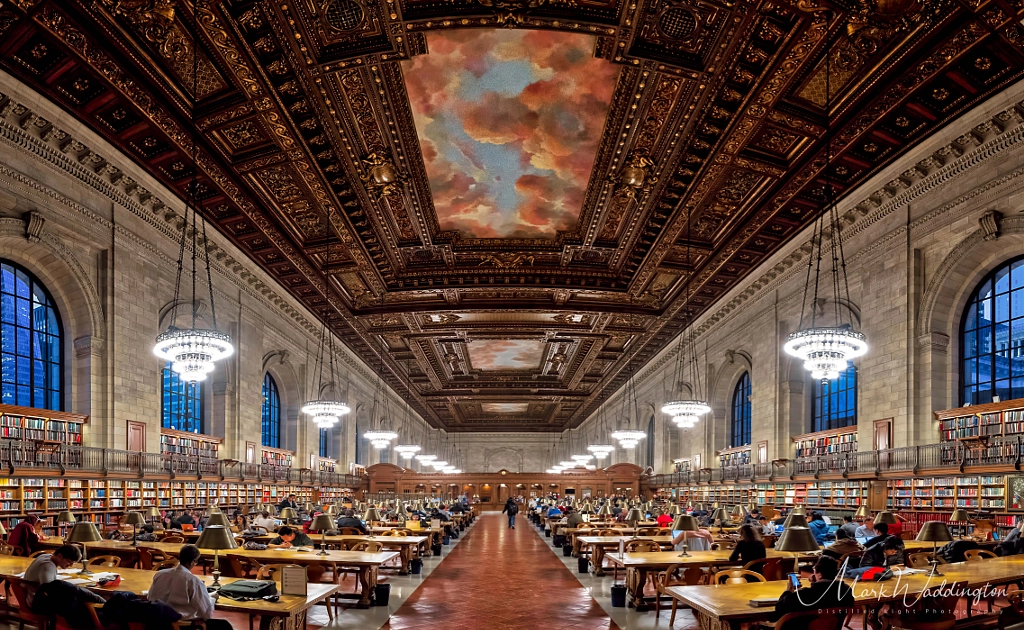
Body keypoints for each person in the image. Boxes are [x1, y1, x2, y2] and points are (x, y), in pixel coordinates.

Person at [148, 545, 231, 630]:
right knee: (224, 625)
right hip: (183, 625)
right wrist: (212, 599)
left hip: (158, 623)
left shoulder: (160, 574)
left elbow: (150, 597)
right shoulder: (193, 581)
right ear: (193, 561)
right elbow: (207, 614)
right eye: (196, 561)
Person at [772, 556, 853, 620]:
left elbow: (777, 613)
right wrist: (816, 583)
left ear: (820, 574)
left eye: (814, 569)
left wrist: (788, 591)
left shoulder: (801, 596)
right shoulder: (846, 591)